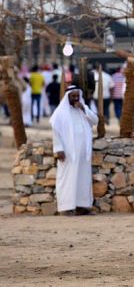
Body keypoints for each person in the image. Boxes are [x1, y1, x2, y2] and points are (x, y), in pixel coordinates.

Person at [51, 86, 98, 215]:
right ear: (68, 97)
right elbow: (56, 132)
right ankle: (66, 207)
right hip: (68, 153)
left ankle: (82, 206)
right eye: (73, 96)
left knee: (83, 179)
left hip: (83, 153)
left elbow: (96, 120)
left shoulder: (84, 109)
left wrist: (84, 109)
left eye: (78, 96)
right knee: (67, 178)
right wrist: (59, 149)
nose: (76, 98)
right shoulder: (60, 113)